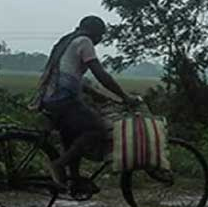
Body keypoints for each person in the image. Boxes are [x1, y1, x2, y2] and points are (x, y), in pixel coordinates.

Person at [30, 15, 137, 194]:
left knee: (72, 140)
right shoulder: (84, 42)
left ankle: (74, 181)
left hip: (50, 98)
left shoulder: (66, 41)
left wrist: (95, 94)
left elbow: (70, 75)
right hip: (63, 99)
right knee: (97, 130)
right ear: (93, 31)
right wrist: (124, 97)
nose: (100, 39)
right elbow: (100, 73)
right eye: (101, 35)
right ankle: (58, 165)